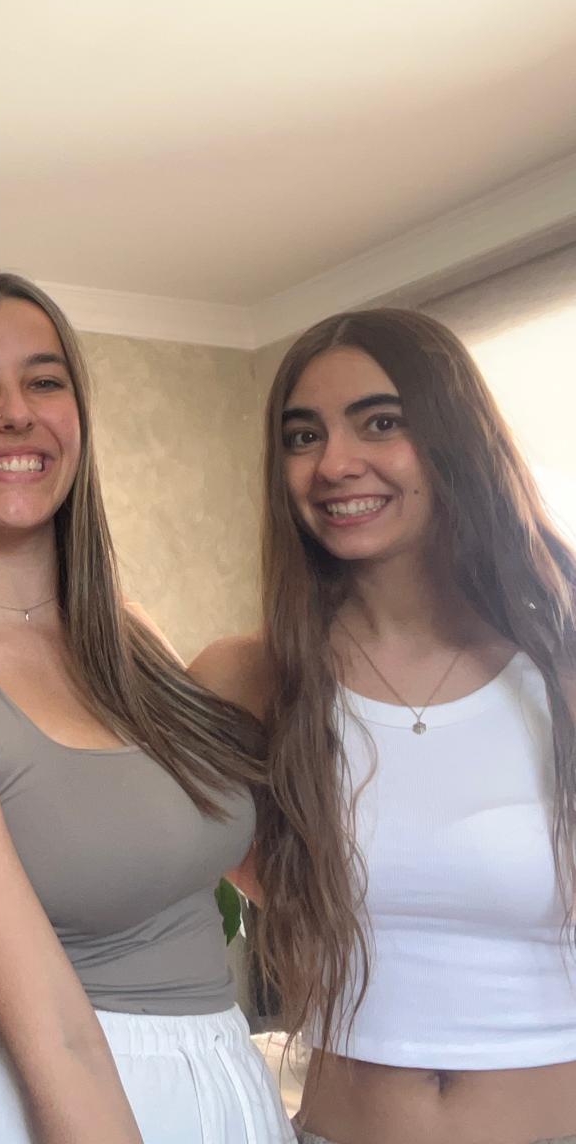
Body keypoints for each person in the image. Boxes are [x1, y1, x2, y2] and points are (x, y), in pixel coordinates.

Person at [0, 270, 292, 1143]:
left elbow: (243, 866)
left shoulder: (129, 636)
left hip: (221, 1073)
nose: (15, 413)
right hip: (65, 1104)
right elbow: (52, 1033)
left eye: (44, 381)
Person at [192, 308, 576, 1144]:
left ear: (454, 438)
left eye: (380, 423)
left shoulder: (560, 669)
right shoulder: (248, 682)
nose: (333, 463)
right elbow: (186, 864)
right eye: (302, 436)